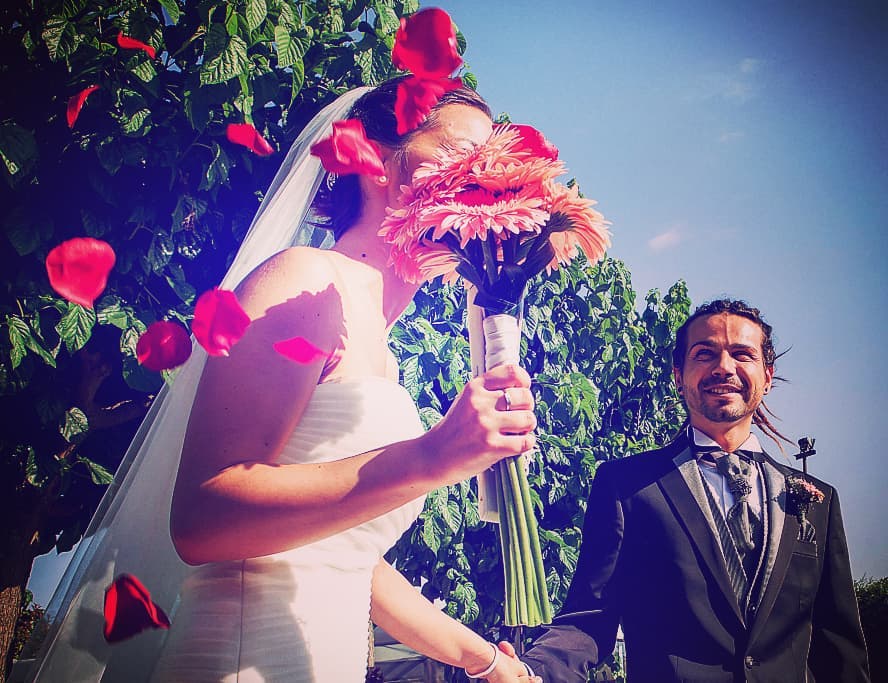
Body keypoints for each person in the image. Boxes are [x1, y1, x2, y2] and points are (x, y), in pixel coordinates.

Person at [27, 80, 538, 683]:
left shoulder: (384, 351)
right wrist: (431, 456)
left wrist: (483, 662)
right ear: (376, 157)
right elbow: (201, 517)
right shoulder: (305, 282)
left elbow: (342, 560)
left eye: (492, 164)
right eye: (459, 150)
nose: (481, 176)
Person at [519, 299, 870, 682]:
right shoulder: (627, 488)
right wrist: (531, 673)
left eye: (742, 354)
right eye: (705, 354)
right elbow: (589, 619)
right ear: (678, 375)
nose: (724, 367)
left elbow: (838, 644)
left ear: (767, 376)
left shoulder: (817, 499)